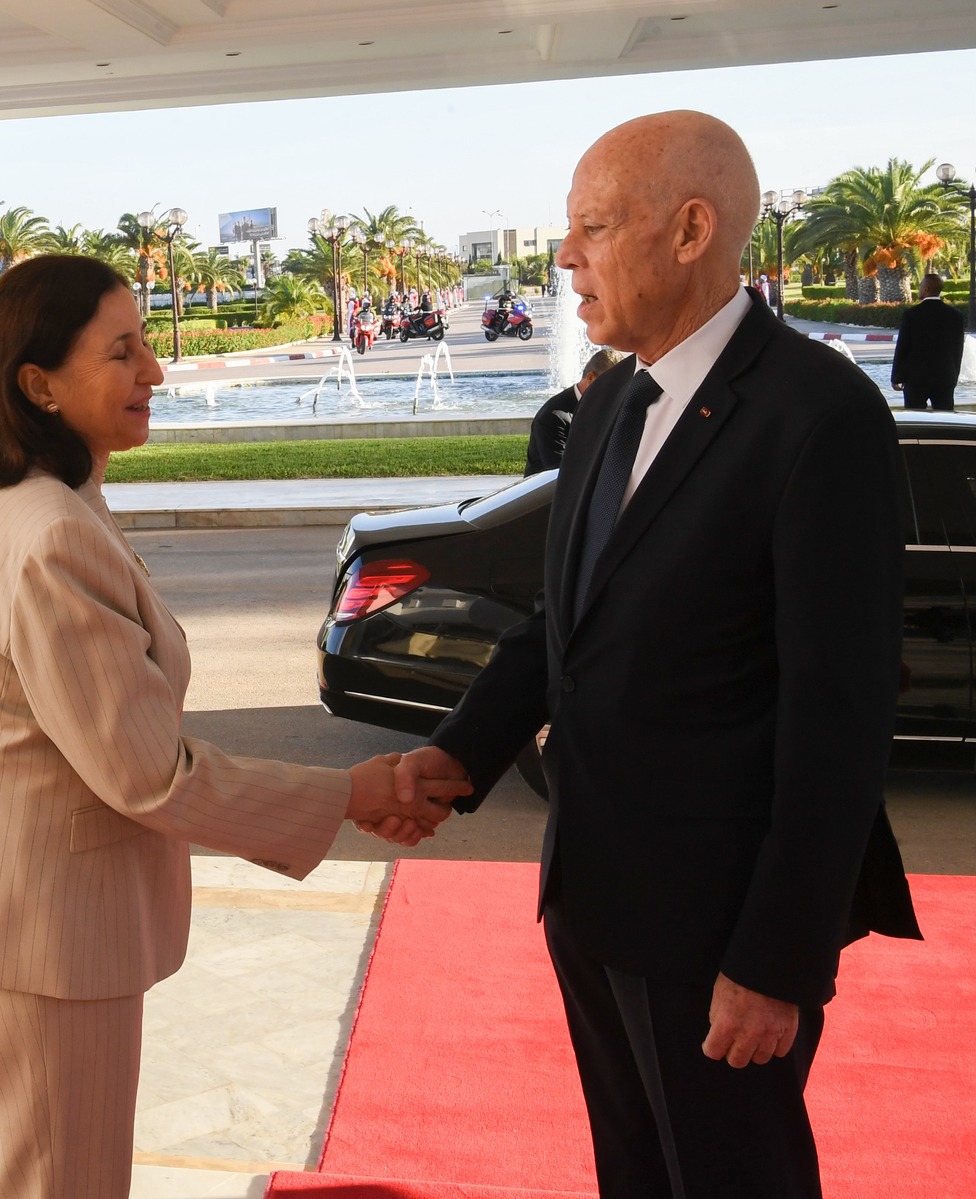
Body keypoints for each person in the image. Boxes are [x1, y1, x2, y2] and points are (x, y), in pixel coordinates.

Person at [391, 111, 919, 1198]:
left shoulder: (819, 414)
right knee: (633, 1172)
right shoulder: (609, 404)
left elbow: (840, 716)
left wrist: (775, 957)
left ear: (689, 231)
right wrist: (458, 754)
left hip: (718, 928)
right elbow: (566, 620)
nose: (563, 258)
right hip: (593, 893)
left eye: (592, 227)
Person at [0, 254, 465, 1199]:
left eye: (145, 344)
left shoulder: (30, 504)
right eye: (121, 352)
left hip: (16, 911)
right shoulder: (51, 531)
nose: (155, 370)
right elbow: (150, 773)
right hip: (44, 930)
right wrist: (352, 791)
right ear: (39, 384)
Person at [525, 348, 624, 475]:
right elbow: (560, 473)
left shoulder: (605, 408)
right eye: (611, 388)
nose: (615, 395)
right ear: (590, 378)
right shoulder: (553, 417)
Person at [891, 272, 966, 411]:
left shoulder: (912, 314)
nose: (919, 289)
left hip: (916, 379)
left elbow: (903, 347)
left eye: (920, 286)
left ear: (926, 289)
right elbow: (958, 350)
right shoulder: (956, 315)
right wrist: (953, 376)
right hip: (945, 377)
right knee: (945, 418)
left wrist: (896, 377)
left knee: (915, 417)